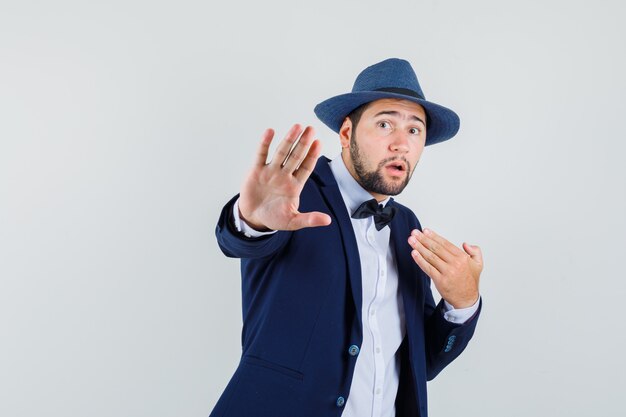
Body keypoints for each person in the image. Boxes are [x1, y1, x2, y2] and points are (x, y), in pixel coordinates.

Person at [211, 58, 483, 417]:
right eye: (385, 124)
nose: (401, 144)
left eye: (415, 131)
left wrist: (462, 304)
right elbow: (240, 239)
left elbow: (422, 362)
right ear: (345, 133)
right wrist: (250, 220)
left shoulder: (407, 227)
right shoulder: (294, 197)